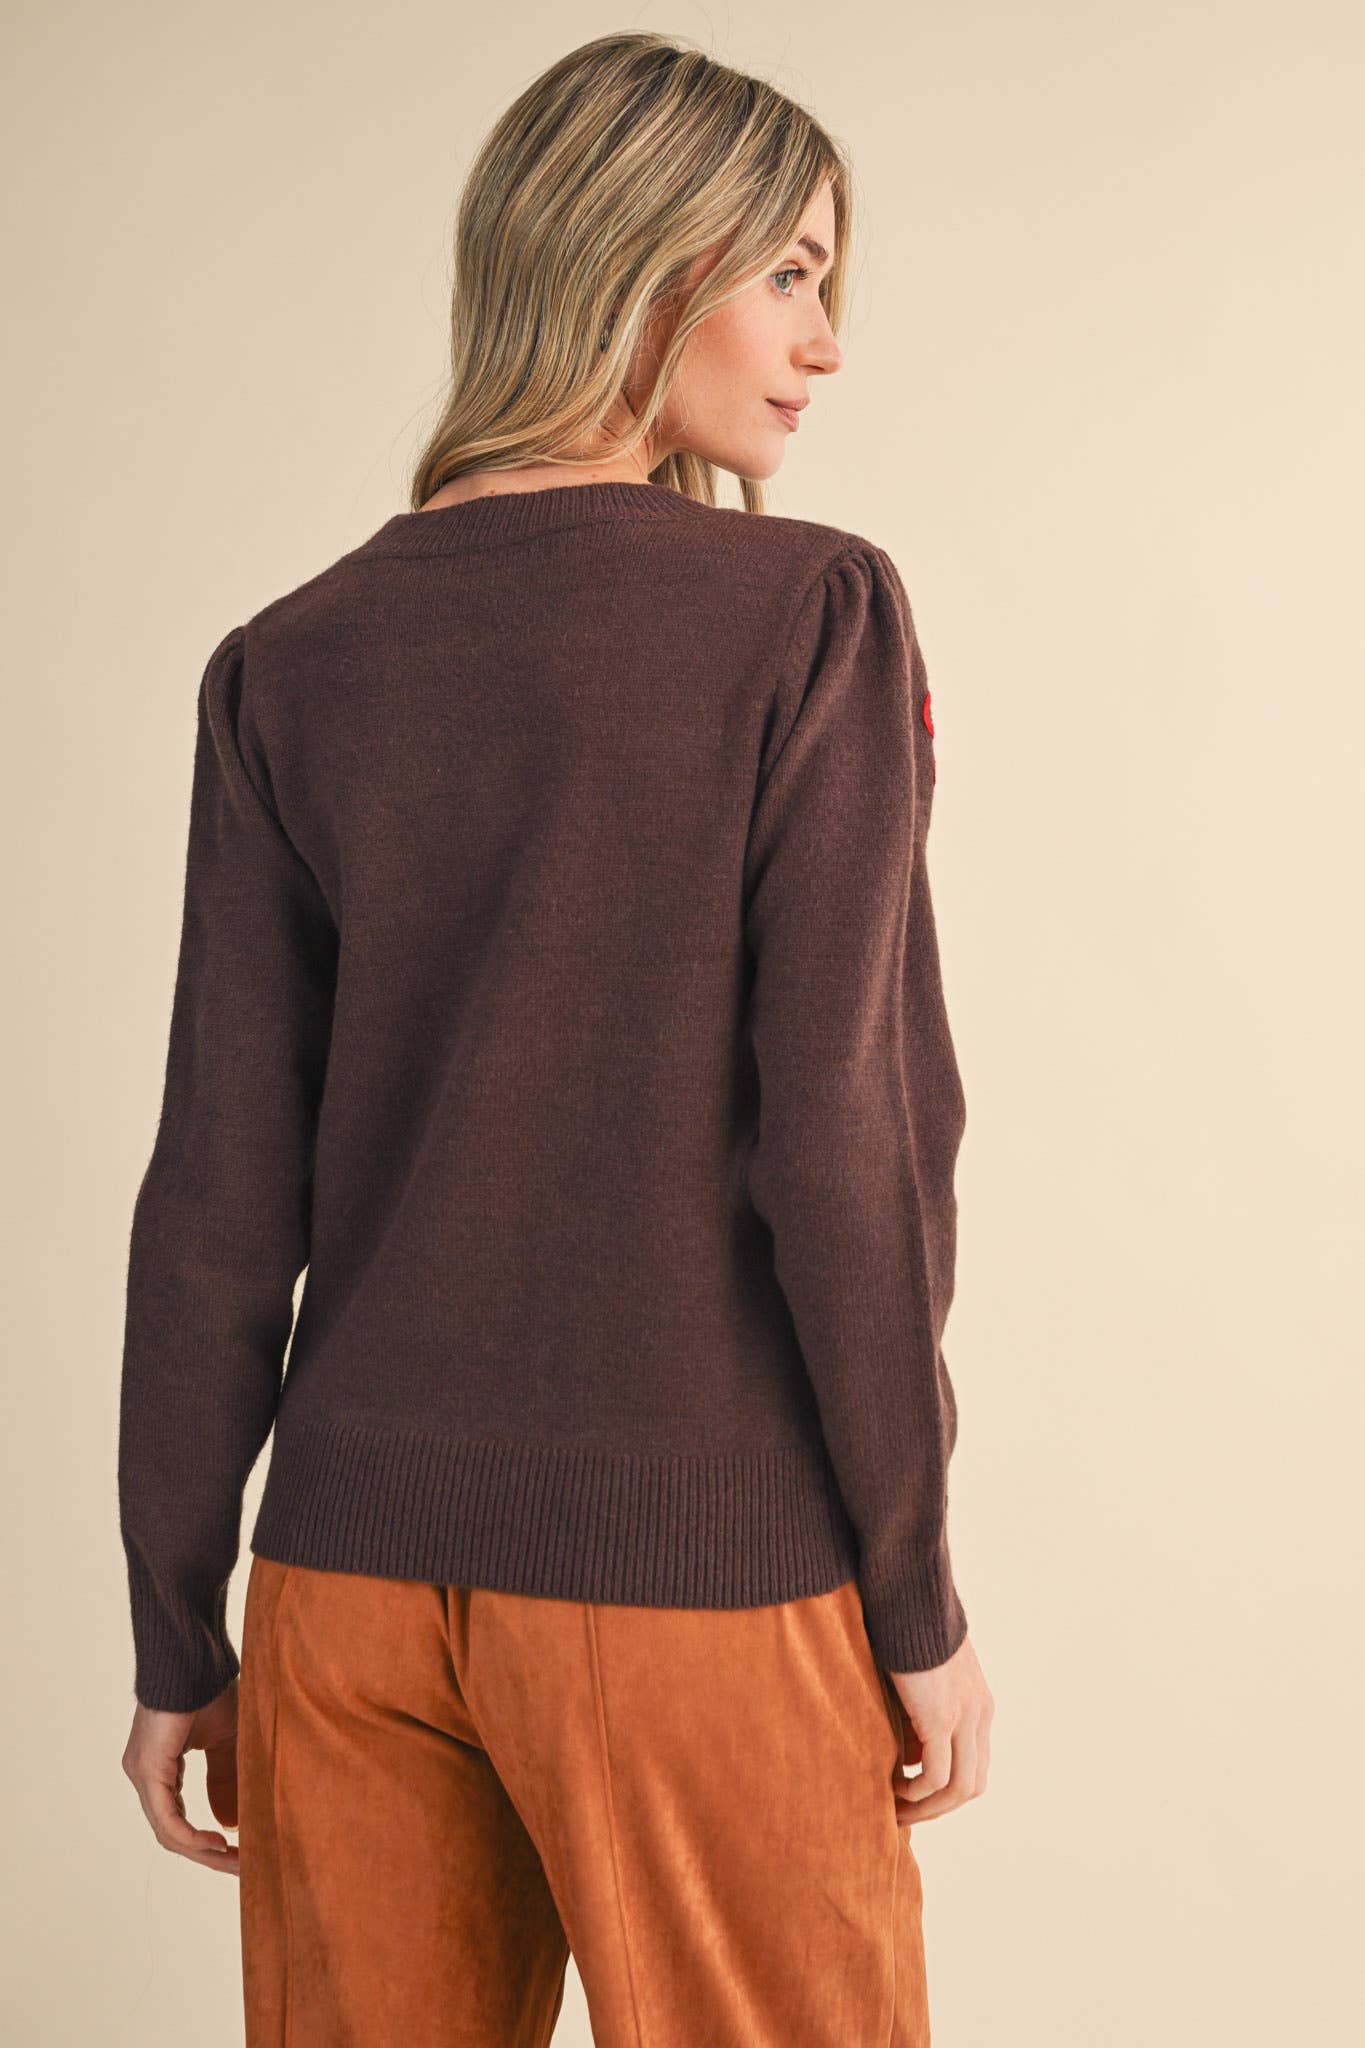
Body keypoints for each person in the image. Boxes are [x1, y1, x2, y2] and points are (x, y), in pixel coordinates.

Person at [117, 28, 993, 2046]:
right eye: (787, 273)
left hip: (338, 1598)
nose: (823, 343)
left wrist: (180, 1631)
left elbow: (214, 1194)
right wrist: (913, 1591)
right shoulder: (808, 616)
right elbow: (843, 1145)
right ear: (638, 263)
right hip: (695, 1575)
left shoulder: (287, 662)